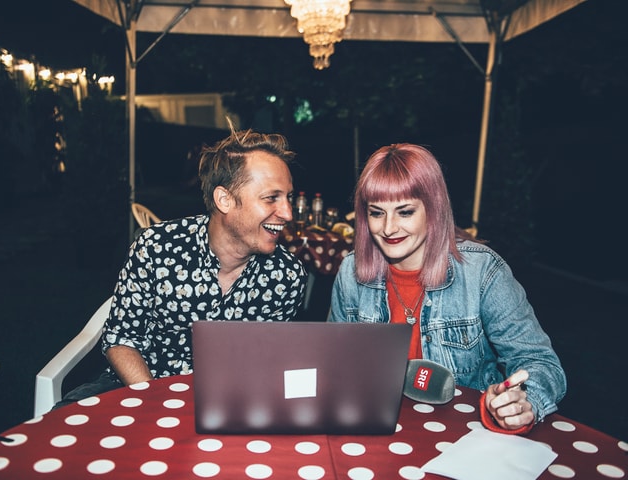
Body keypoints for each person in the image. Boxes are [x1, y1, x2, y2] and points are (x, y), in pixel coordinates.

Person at [56, 129, 308, 407]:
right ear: (224, 200)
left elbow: (266, 361)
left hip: (228, 399)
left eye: (288, 197)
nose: (287, 213)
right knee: (60, 427)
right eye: (271, 198)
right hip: (138, 385)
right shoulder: (157, 247)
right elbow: (122, 339)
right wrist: (154, 401)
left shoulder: (287, 275)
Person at [328, 143, 566, 434]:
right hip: (377, 432)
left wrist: (522, 401)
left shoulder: (482, 273)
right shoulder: (351, 273)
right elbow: (335, 363)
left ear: (434, 209)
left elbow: (541, 363)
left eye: (405, 212)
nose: (388, 228)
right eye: (377, 213)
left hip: (465, 438)